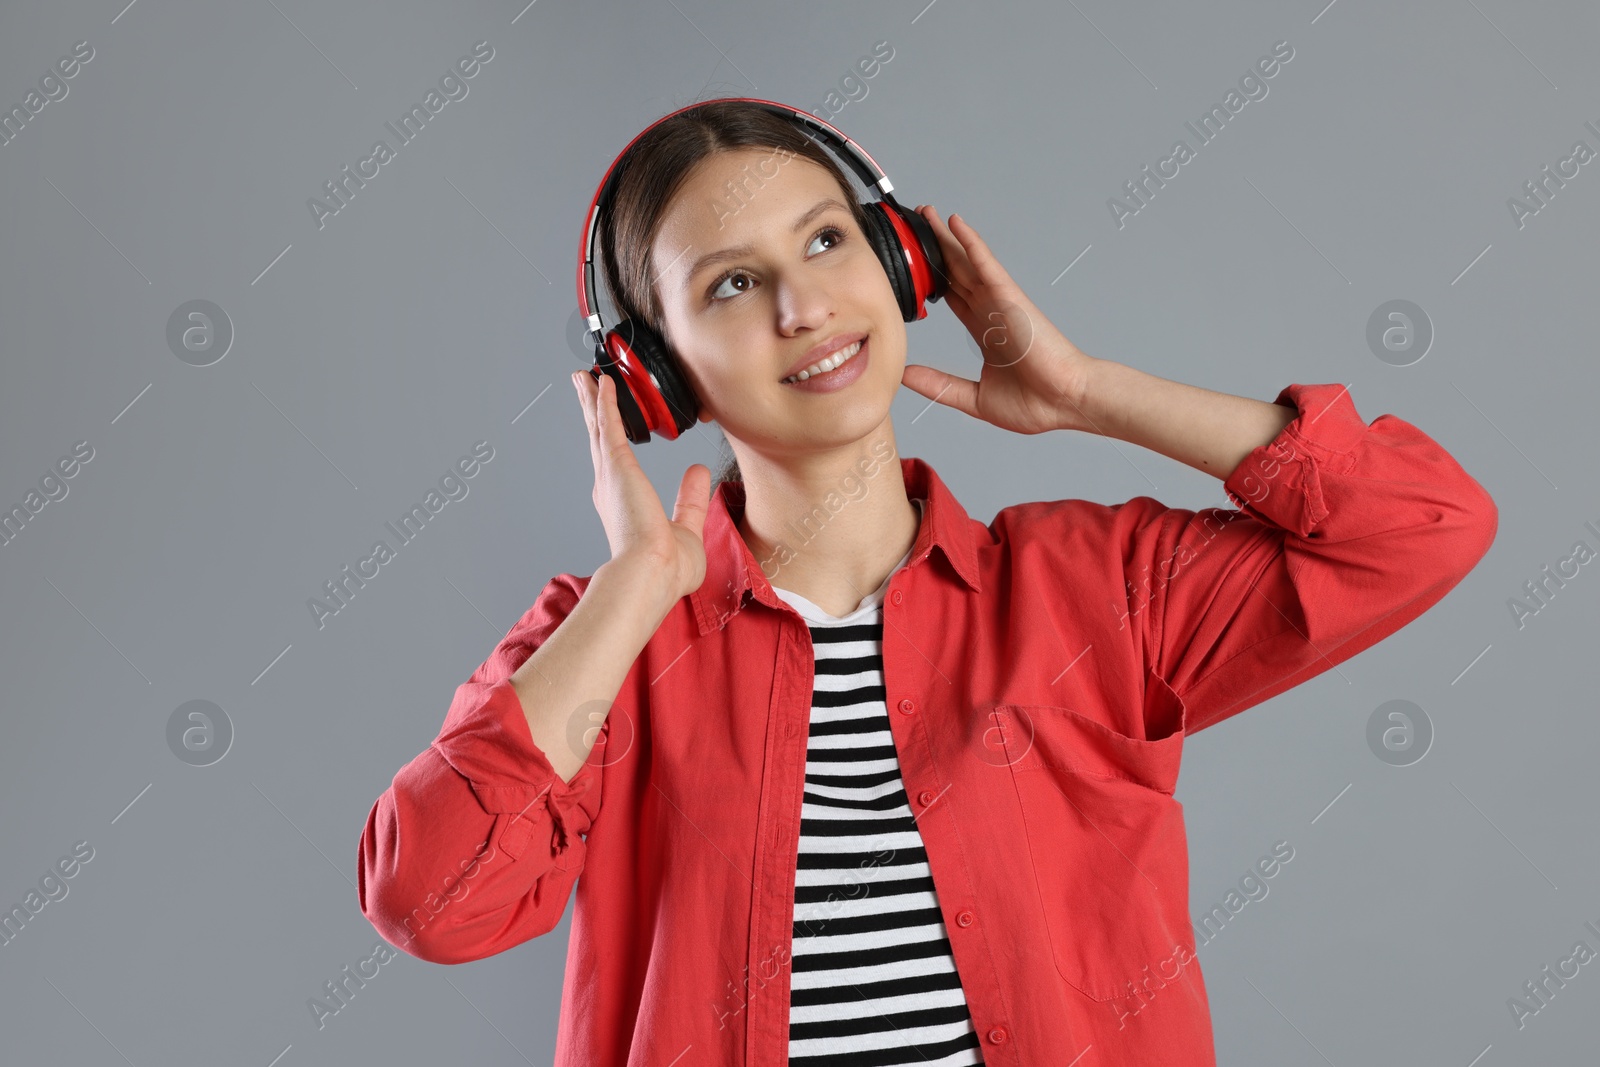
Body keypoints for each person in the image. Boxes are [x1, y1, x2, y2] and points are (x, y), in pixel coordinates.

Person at [357, 99, 1498, 1066]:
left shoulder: (1089, 587)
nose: (802, 309)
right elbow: (431, 900)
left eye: (823, 244)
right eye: (729, 287)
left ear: (901, 263)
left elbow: (1422, 524)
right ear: (657, 381)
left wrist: (1090, 393)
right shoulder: (597, 646)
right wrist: (629, 593)